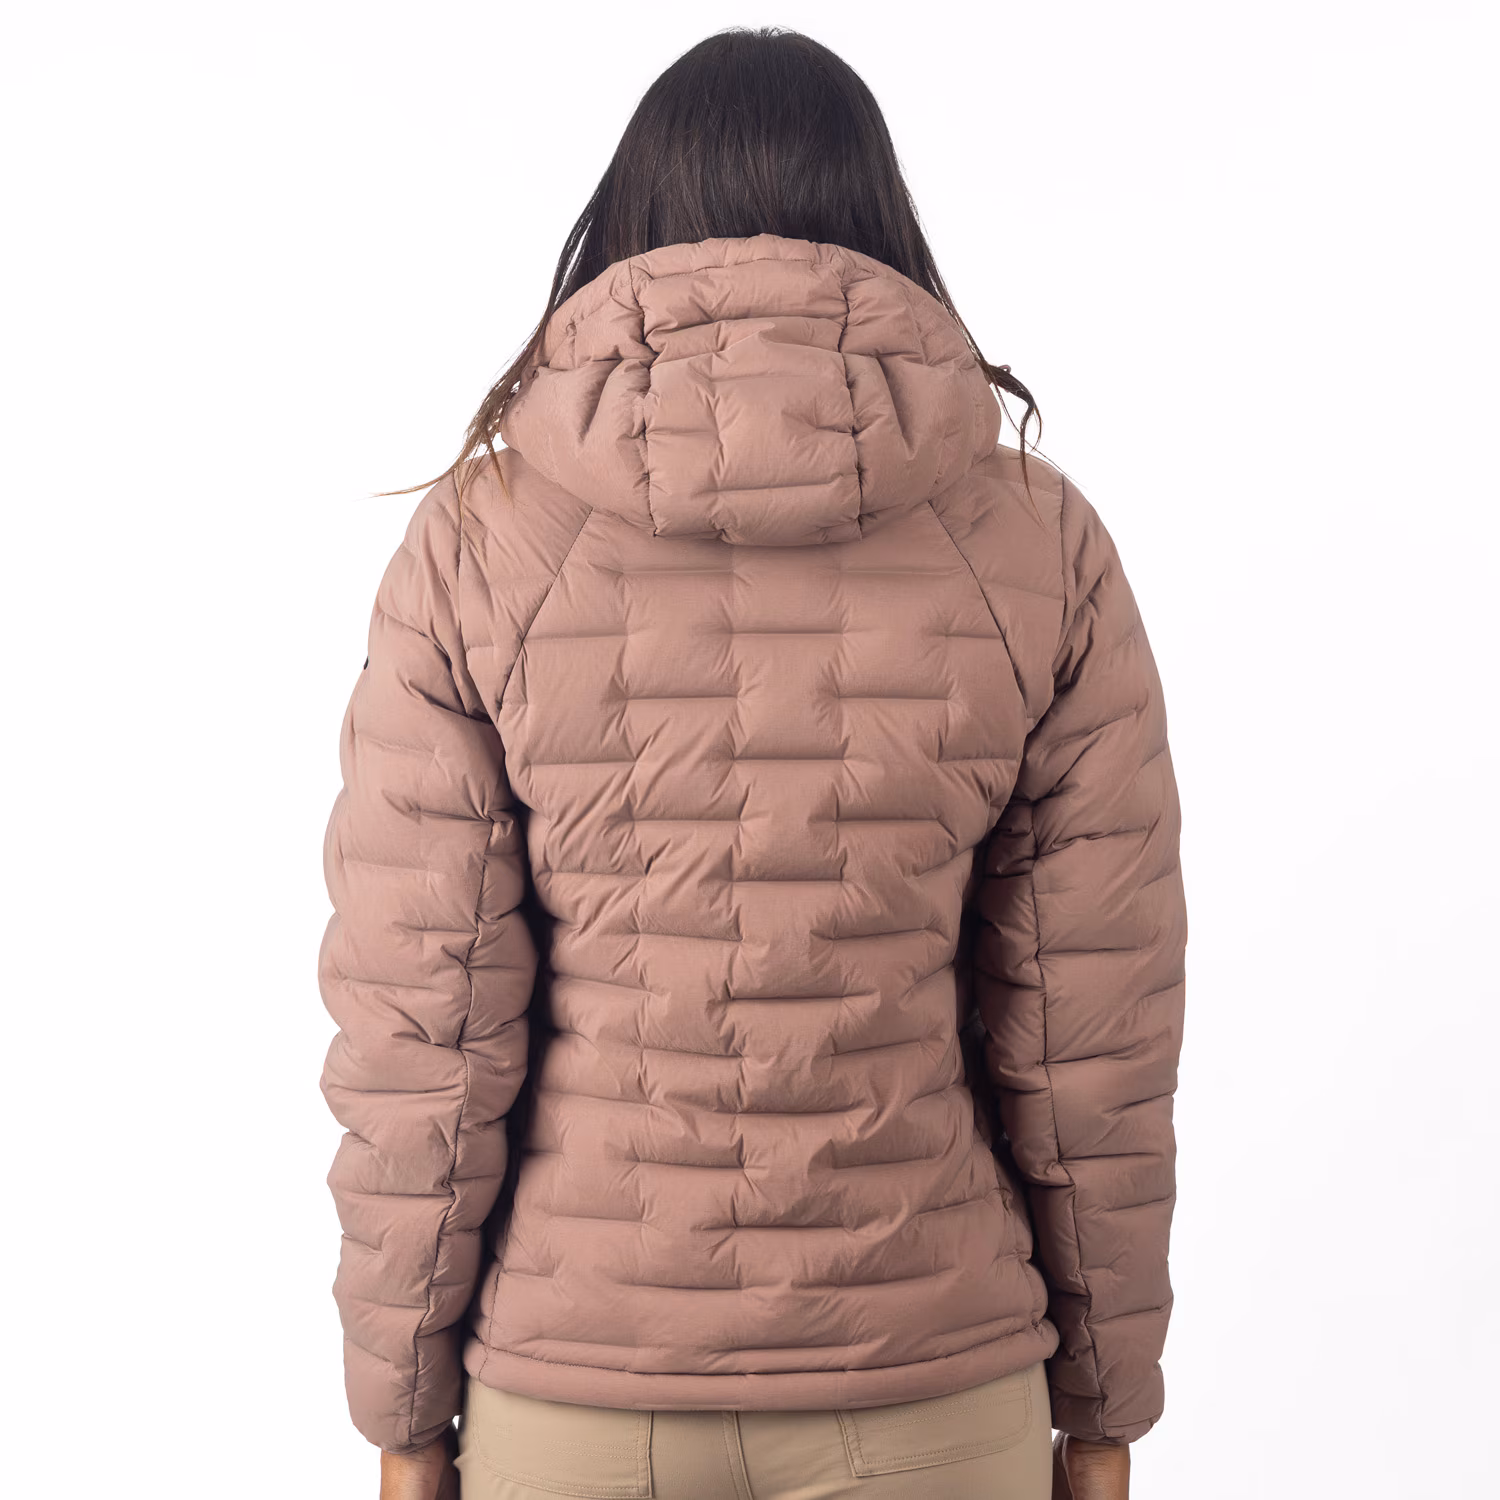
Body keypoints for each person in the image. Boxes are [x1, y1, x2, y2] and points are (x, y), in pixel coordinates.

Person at [317, 26, 1187, 1500]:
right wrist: (1106, 1409)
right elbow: (1091, 1031)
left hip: (575, 1392)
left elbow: (424, 1032)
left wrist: (400, 1413)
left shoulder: (477, 542)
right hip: (934, 1380)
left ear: (628, 220)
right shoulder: (1037, 542)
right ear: (883, 221)